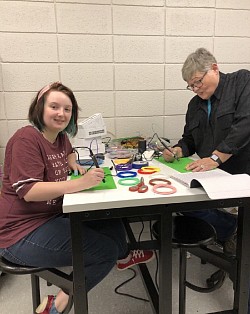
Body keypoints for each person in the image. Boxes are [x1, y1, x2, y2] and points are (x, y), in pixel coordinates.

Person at [0, 82, 154, 314]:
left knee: (109, 216)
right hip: (19, 233)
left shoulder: (60, 137)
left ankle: (123, 257)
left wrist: (73, 164)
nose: (61, 114)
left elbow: (69, 152)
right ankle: (59, 302)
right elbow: (29, 191)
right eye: (54, 106)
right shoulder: (26, 139)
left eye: (67, 109)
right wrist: (79, 183)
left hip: (49, 216)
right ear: (40, 108)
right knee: (104, 252)